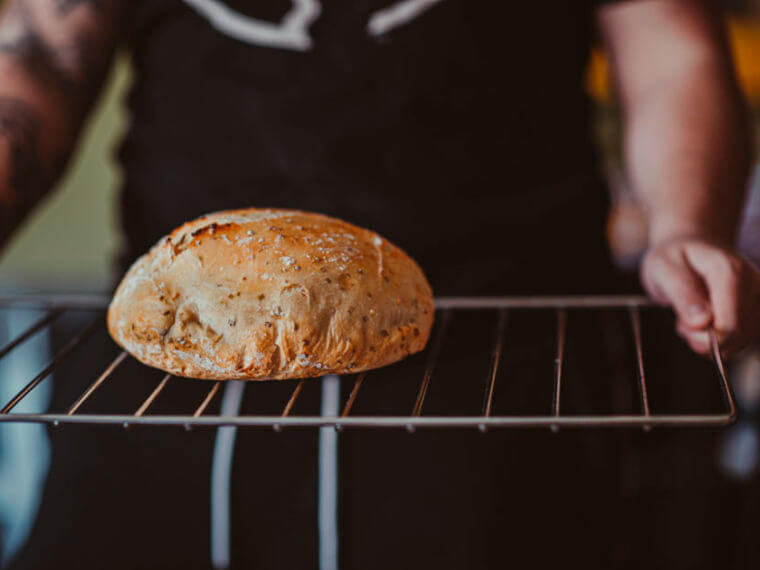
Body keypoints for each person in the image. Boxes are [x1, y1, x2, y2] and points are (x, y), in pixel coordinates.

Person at [0, 0, 758, 568]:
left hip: (504, 369)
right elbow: (39, 54)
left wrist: (685, 228)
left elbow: (670, 54)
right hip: (169, 362)